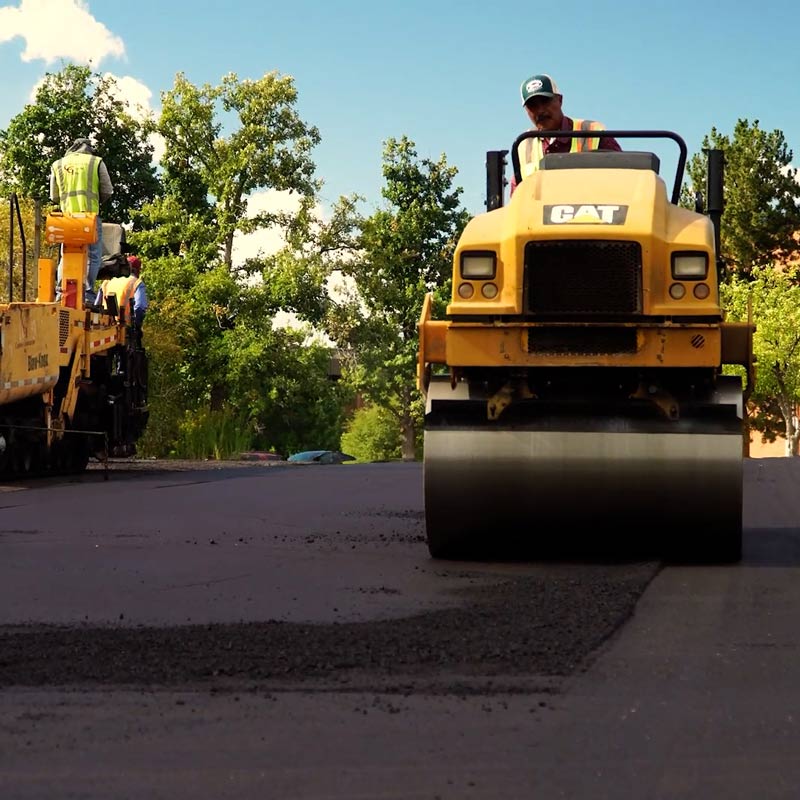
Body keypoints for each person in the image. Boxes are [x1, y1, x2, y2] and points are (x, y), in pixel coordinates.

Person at [513, 73, 621, 189]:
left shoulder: (593, 132)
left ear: (560, 100)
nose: (540, 110)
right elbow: (517, 194)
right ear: (526, 111)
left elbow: (622, 177)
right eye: (532, 105)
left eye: (545, 101)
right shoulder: (523, 145)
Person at [50, 137, 114, 304]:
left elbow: (54, 196)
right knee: (93, 255)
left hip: (67, 219)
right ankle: (86, 292)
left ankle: (60, 292)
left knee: (66, 253)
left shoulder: (58, 164)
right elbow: (107, 190)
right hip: (89, 217)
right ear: (89, 148)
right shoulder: (96, 162)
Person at [95, 255, 149, 329]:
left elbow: (97, 305)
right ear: (136, 270)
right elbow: (139, 307)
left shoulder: (106, 281)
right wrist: (137, 326)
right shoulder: (137, 283)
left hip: (105, 326)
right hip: (125, 328)